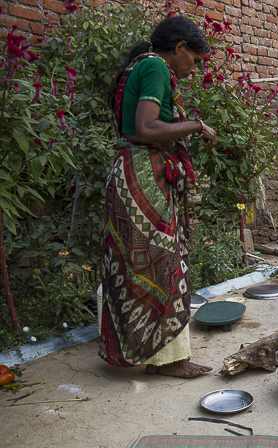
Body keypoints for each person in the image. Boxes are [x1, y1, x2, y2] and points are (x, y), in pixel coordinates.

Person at [98, 17, 218, 377]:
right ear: (179, 47)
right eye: (194, 61)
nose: (193, 71)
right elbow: (147, 127)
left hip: (131, 171)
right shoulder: (155, 67)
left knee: (141, 265)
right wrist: (197, 125)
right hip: (144, 174)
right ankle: (169, 360)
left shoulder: (140, 65)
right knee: (163, 264)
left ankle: (155, 356)